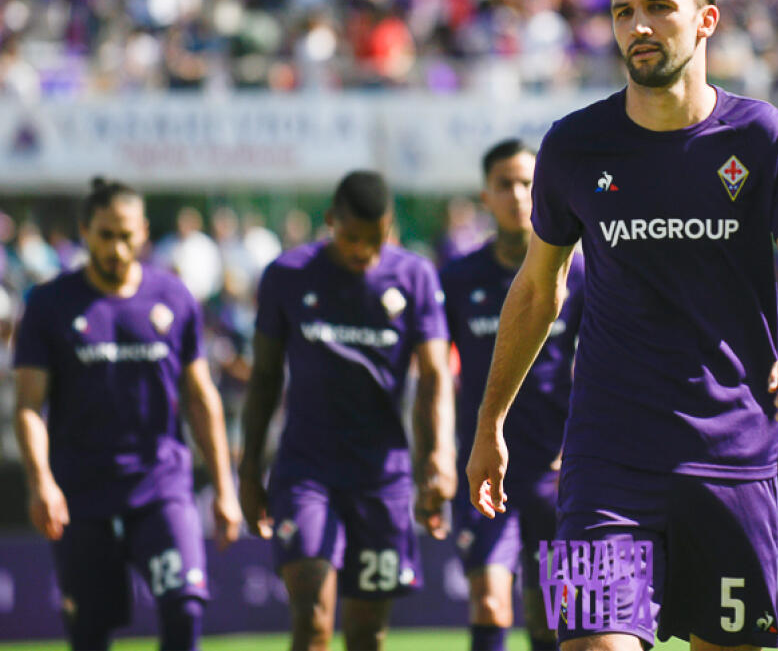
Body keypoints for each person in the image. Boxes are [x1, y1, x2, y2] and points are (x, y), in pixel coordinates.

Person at [466, 0, 778, 650]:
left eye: (659, 7)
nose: (637, 26)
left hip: (731, 455)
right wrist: (491, 422)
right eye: (622, 12)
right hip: (606, 458)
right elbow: (537, 290)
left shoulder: (765, 139)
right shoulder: (573, 146)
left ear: (706, 18)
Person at [12, 178, 242, 651]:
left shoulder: (174, 299)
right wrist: (41, 482)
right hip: (82, 492)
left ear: (143, 234)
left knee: (184, 609)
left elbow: (200, 397)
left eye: (127, 235)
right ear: (84, 231)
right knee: (91, 634)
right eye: (105, 235)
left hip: (162, 486)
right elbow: (29, 406)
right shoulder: (49, 305)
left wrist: (225, 486)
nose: (117, 248)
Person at [237, 170, 456, 651]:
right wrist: (250, 469)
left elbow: (435, 375)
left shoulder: (414, 276)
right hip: (305, 473)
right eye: (353, 238)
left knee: (365, 632)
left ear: (391, 227)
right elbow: (265, 376)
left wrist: (437, 456)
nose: (363, 252)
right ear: (331, 220)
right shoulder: (288, 276)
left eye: (375, 241)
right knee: (313, 618)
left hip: (383, 478)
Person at [440, 139, 585, 651]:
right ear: (486, 196)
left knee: (550, 618)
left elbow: (597, 367)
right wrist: (438, 456)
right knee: (489, 602)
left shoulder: (579, 274)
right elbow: (437, 377)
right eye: (505, 184)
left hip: (552, 470)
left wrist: (579, 450)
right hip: (483, 467)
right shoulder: (457, 279)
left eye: (528, 183)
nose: (518, 195)